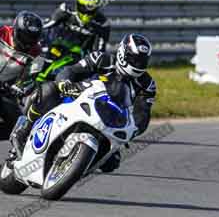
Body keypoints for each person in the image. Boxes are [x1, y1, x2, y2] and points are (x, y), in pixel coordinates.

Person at [8, 34, 157, 169]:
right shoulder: (101, 59)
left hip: (109, 119)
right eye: (134, 59)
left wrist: (133, 129)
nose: (137, 64)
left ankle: (72, 168)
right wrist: (64, 83)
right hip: (78, 97)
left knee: (112, 163)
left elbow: (143, 112)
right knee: (48, 90)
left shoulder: (147, 84)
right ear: (123, 53)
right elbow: (71, 70)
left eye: (142, 61)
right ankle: (23, 130)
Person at [0, 12, 44, 139]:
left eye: (32, 39)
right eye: (25, 37)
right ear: (16, 31)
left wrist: (22, 87)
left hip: (6, 90)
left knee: (20, 127)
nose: (28, 43)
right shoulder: (2, 32)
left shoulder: (36, 52)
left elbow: (32, 77)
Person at [43, 0, 111, 56]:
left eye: (91, 8)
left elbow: (99, 52)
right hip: (54, 48)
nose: (86, 12)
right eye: (83, 7)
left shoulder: (102, 23)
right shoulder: (66, 10)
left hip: (78, 57)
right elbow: (46, 25)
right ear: (77, 4)